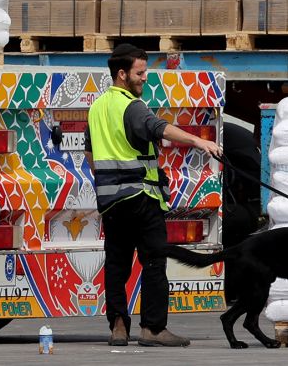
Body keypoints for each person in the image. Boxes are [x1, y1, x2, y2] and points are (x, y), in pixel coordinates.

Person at [85, 43, 222, 348]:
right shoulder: (132, 107)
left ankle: (118, 326)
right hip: (141, 195)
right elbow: (159, 129)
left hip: (111, 201)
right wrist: (199, 142)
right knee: (154, 261)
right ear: (122, 74)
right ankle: (153, 329)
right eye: (140, 72)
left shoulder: (96, 108)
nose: (145, 78)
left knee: (117, 264)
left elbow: (90, 156)